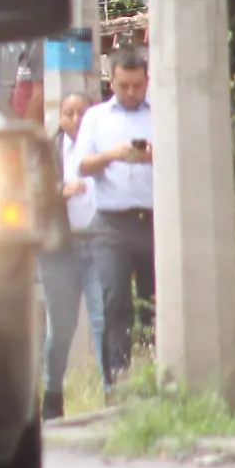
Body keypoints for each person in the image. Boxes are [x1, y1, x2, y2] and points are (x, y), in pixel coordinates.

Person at [74, 47, 155, 396]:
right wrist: (112, 155)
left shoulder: (161, 115)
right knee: (115, 300)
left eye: (137, 86)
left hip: (153, 219)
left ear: (147, 82)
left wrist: (152, 157)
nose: (131, 93)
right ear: (112, 81)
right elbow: (81, 166)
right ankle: (116, 382)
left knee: (154, 300)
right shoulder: (96, 118)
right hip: (110, 222)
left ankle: (157, 372)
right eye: (124, 86)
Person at [39, 90, 107, 420]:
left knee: (103, 320)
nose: (76, 120)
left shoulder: (104, 145)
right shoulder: (46, 151)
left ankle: (113, 392)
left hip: (97, 245)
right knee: (61, 328)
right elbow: (29, 191)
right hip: (59, 250)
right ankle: (52, 397)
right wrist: (60, 191)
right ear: (60, 117)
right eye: (69, 113)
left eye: (82, 112)